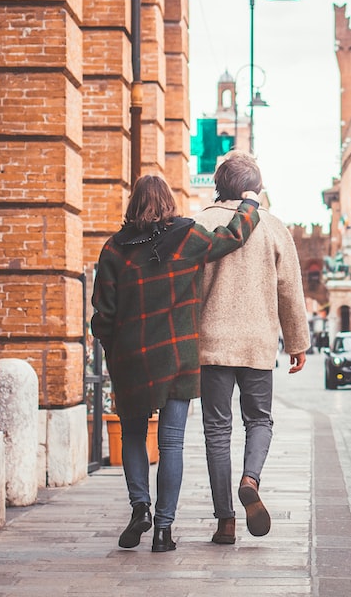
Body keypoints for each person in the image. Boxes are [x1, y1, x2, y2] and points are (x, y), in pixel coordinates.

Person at [91, 175, 260, 553]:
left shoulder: (116, 249)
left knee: (134, 436)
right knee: (171, 443)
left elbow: (102, 313)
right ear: (169, 201)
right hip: (177, 356)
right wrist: (250, 203)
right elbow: (233, 236)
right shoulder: (188, 238)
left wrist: (114, 350)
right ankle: (164, 530)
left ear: (134, 204)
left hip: (132, 357)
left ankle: (140, 507)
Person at [193, 152, 310, 546]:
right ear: (253, 188)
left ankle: (225, 521)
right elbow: (290, 290)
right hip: (258, 342)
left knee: (216, 431)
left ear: (219, 184)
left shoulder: (199, 224)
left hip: (210, 344)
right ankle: (250, 478)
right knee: (259, 421)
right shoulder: (273, 227)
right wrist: (297, 342)